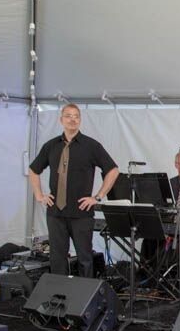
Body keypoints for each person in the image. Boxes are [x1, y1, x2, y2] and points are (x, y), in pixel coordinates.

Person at [29, 103, 118, 278]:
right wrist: (39, 195)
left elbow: (113, 170)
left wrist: (97, 197)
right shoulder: (51, 146)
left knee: (85, 258)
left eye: (76, 116)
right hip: (55, 213)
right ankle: (59, 296)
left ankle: (85, 298)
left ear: (80, 120)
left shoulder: (91, 146)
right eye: (68, 116)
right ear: (61, 120)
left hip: (81, 213)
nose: (73, 119)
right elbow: (33, 170)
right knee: (57, 258)